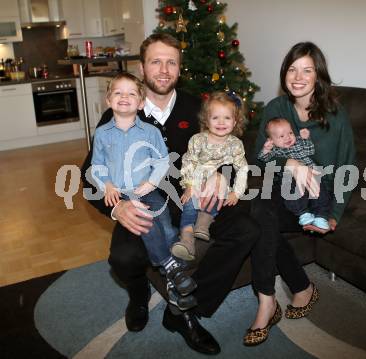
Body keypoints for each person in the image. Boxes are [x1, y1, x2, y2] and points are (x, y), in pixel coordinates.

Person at [81, 33, 258, 355]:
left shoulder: (197, 108)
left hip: (195, 197)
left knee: (246, 230)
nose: (164, 69)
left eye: (171, 62)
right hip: (144, 201)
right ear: (142, 67)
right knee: (123, 257)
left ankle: (184, 311)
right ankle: (138, 295)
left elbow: (233, 148)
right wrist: (117, 208)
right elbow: (90, 172)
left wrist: (223, 174)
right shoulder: (121, 110)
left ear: (180, 67)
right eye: (156, 61)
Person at [244, 42, 356, 346]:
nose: (297, 76)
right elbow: (258, 161)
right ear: (284, 74)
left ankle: (300, 288)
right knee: (260, 211)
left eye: (307, 70)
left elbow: (347, 165)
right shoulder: (276, 109)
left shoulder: (335, 115)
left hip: (319, 201)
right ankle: (267, 300)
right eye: (292, 69)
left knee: (260, 220)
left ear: (318, 76)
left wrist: (334, 214)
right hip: (285, 193)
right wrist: (290, 162)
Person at [90, 72, 197, 310]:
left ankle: (173, 270)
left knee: (166, 223)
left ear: (140, 103)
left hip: (147, 189)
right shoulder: (102, 134)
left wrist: (151, 182)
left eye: (131, 93)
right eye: (118, 93)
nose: (124, 97)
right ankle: (170, 266)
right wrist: (106, 185)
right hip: (123, 194)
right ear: (108, 100)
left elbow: (162, 161)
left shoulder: (151, 132)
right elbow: (96, 166)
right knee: (146, 223)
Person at [172, 91, 249, 261]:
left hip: (218, 183)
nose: (221, 122)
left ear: (235, 121)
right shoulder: (197, 140)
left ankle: (204, 223)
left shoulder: (235, 145)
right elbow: (188, 162)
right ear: (207, 120)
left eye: (227, 118)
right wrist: (189, 185)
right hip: (196, 179)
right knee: (190, 202)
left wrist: (237, 192)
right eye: (215, 118)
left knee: (218, 193)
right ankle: (186, 238)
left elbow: (242, 169)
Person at [257, 117, 331, 231]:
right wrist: (266, 150)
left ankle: (321, 216)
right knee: (291, 194)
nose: (288, 137)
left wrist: (306, 139)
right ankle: (303, 213)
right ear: (271, 140)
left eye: (290, 133)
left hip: (310, 173)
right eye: (281, 136)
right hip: (290, 179)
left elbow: (310, 150)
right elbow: (262, 159)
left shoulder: (298, 142)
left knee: (321, 193)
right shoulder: (275, 150)